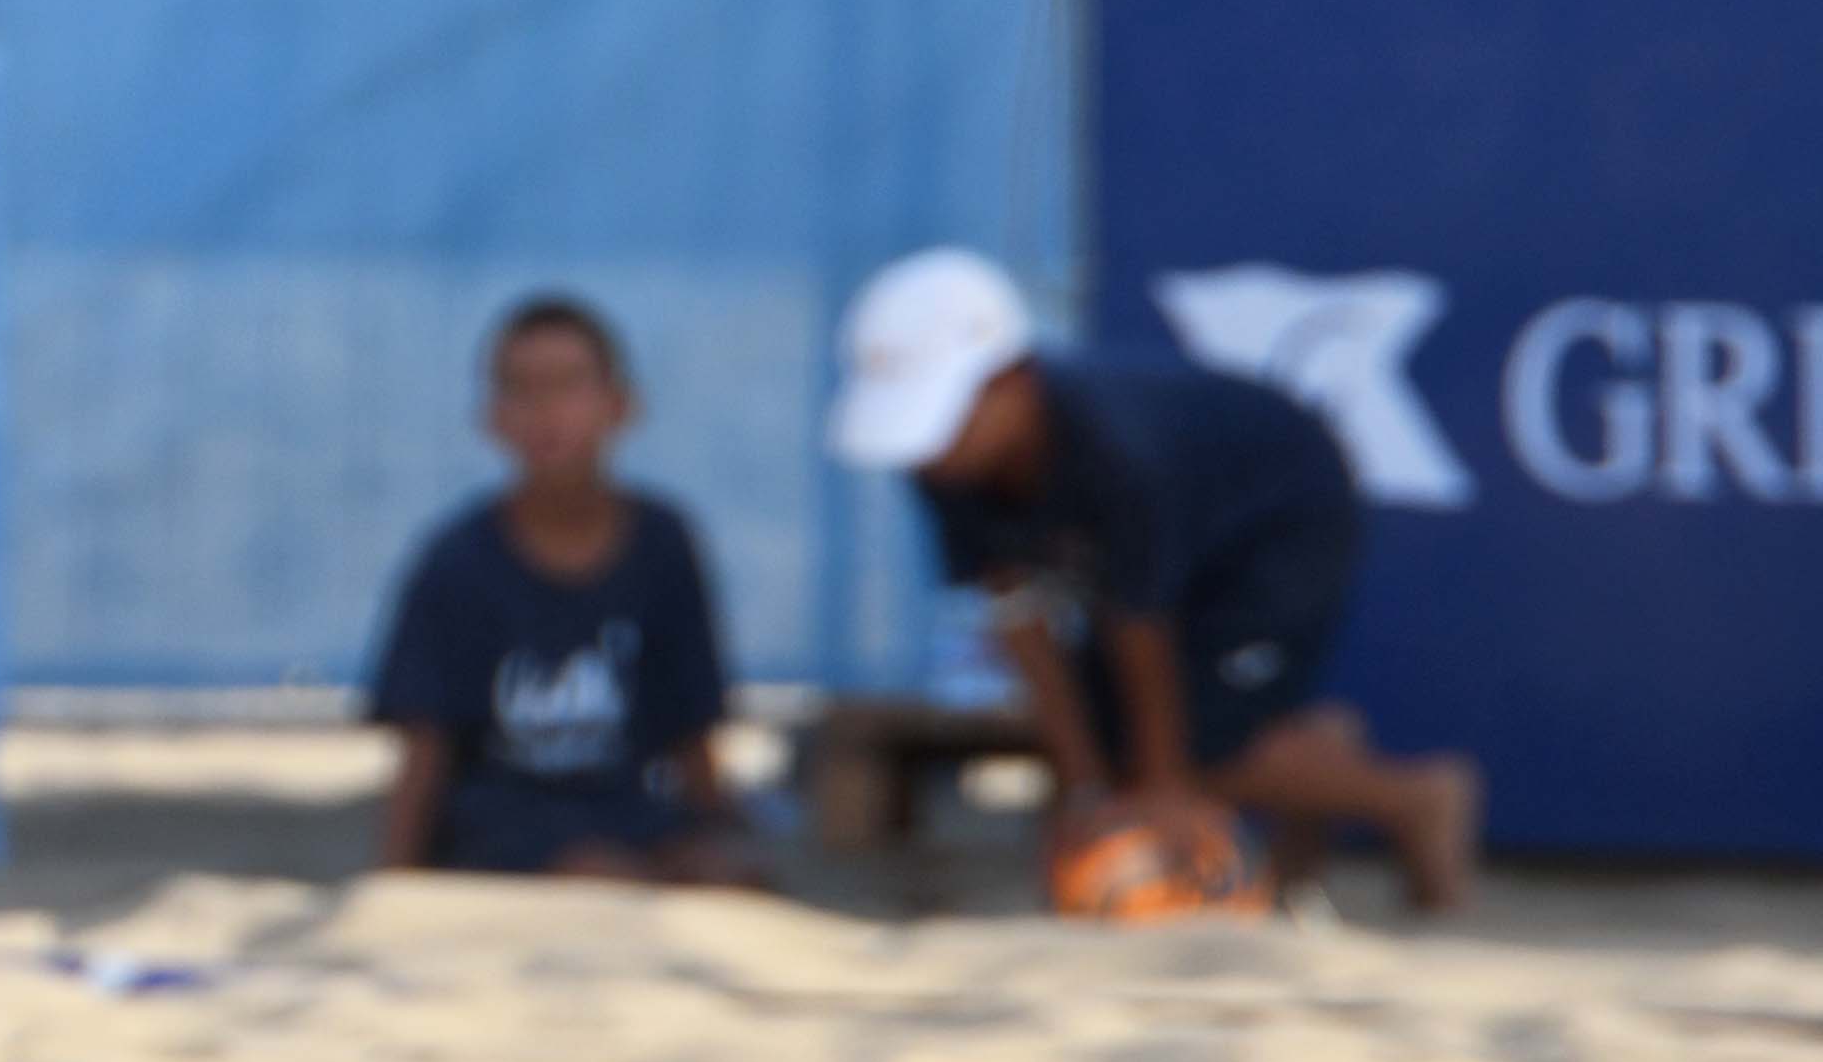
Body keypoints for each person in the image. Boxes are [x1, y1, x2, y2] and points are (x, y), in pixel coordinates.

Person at [826, 247, 1479, 913]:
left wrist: (1161, 791)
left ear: (1012, 379)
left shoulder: (1114, 447)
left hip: (1284, 522)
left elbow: (1140, 623)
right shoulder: (944, 463)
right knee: (1118, 744)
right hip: (1180, 563)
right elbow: (1017, 615)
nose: (928, 449)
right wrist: (1085, 794)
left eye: (941, 414)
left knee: (1188, 755)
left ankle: (1418, 797)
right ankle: (1315, 747)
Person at [365, 295, 755, 882]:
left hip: (634, 817)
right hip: (502, 833)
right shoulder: (456, 561)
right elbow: (424, 749)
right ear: (492, 417)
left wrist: (722, 837)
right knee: (595, 873)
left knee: (729, 877)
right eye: (521, 389)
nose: (546, 410)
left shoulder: (665, 543)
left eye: (568, 385)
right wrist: (395, 883)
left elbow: (692, 733)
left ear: (620, 405)